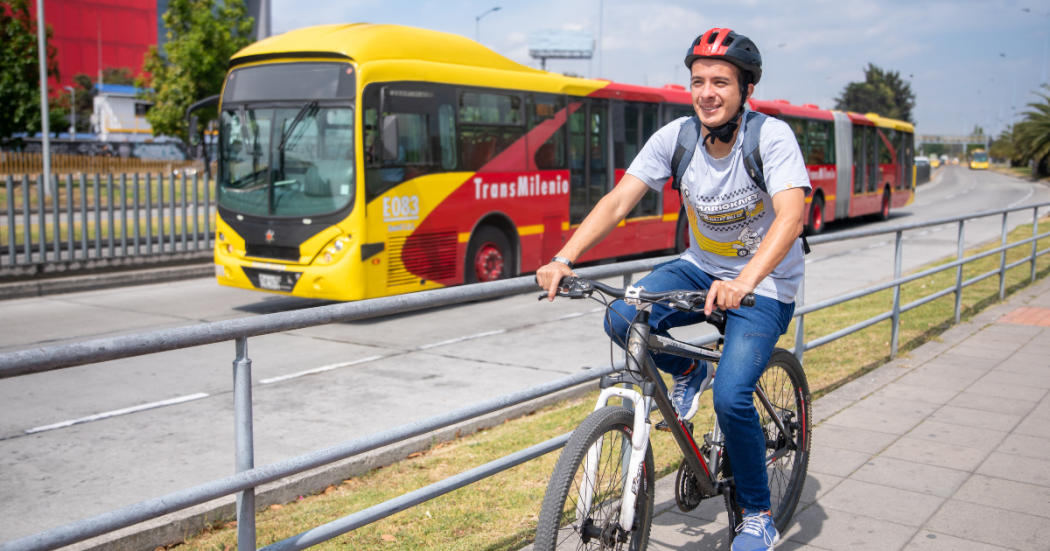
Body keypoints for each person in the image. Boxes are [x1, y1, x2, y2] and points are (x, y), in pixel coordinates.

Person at [536, 28, 809, 551]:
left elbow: (791, 216)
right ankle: (687, 372)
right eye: (698, 81)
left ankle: (757, 514)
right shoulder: (677, 138)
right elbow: (619, 201)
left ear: (744, 89)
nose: (707, 92)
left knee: (733, 398)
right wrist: (564, 258)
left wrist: (745, 281)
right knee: (621, 316)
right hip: (700, 267)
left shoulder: (770, 137)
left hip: (765, 283)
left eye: (721, 82)